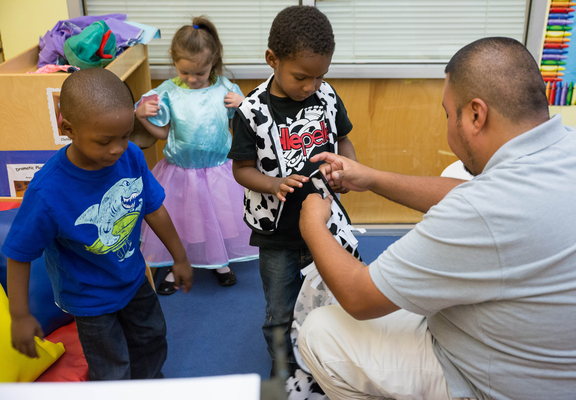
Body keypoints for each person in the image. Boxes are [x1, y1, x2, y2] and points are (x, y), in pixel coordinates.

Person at [297, 37, 576, 400]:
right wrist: (372, 178)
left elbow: (359, 297)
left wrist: (312, 225)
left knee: (320, 329)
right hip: (570, 373)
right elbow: (467, 193)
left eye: (447, 113)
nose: (447, 126)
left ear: (476, 114)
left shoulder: (482, 212)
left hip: (494, 383)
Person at [3, 68, 194, 380]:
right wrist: (20, 316)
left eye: (125, 136)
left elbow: (153, 208)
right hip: (88, 295)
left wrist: (181, 257)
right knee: (111, 366)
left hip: (132, 278)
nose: (117, 149)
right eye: (105, 141)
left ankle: (148, 388)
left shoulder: (130, 156)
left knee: (152, 339)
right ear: (68, 128)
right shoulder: (47, 192)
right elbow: (19, 253)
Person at [227, 5, 358, 375]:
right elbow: (241, 169)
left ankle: (325, 364)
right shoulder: (251, 111)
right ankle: (283, 368)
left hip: (327, 223)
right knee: (280, 310)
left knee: (330, 299)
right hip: (278, 235)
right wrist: (273, 184)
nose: (310, 87)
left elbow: (344, 140)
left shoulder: (327, 96)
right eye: (301, 76)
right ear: (272, 59)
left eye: (319, 77)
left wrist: (346, 168)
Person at [136, 16, 258, 294]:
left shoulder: (226, 90)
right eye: (185, 72)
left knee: (218, 217)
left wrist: (243, 106)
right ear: (173, 60)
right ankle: (178, 262)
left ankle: (220, 261)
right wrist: (142, 116)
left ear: (213, 62)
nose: (192, 79)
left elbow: (243, 128)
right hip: (180, 172)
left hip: (218, 171)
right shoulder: (167, 93)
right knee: (181, 220)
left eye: (200, 74)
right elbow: (163, 133)